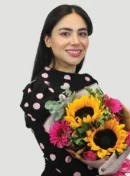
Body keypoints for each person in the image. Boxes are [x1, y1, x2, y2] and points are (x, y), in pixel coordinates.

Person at [20, 4, 103, 176]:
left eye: (82, 33)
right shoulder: (39, 90)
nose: (76, 41)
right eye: (65, 33)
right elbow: (65, 161)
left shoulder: (88, 82)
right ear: (48, 40)